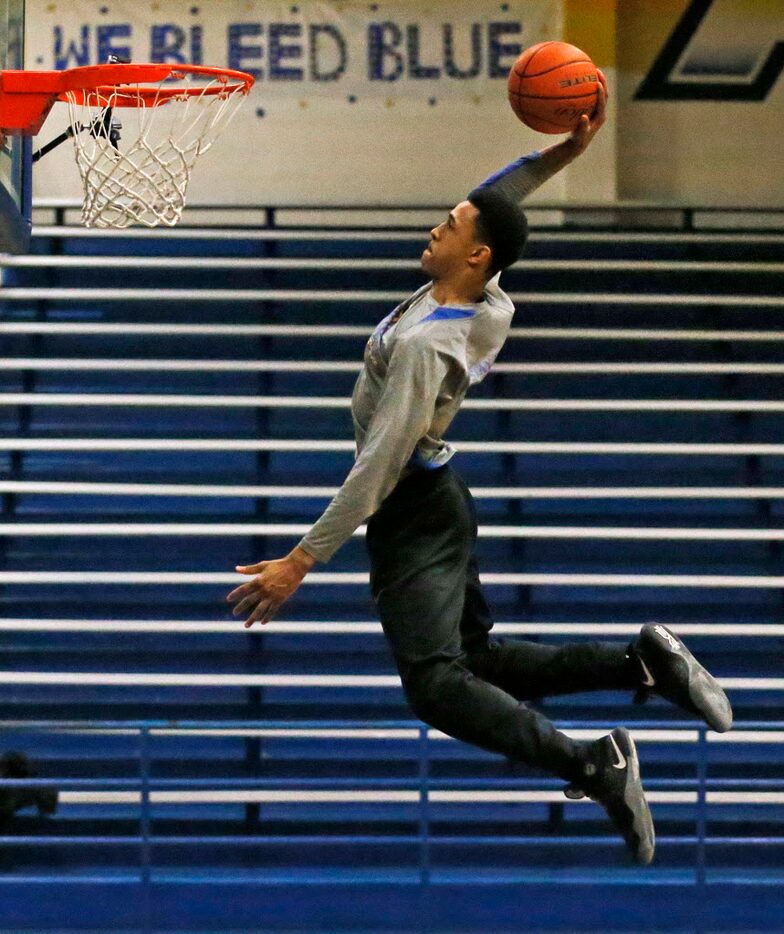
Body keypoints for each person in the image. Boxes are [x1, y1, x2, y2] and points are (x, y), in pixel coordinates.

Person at [226, 77, 732, 866]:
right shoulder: (482, 298)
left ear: (477, 253)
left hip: (414, 504)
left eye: (449, 224)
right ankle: (642, 662)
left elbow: (379, 465)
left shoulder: (432, 345)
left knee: (436, 683)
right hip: (441, 498)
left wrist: (300, 561)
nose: (438, 224)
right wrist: (563, 151)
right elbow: (498, 198)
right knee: (479, 664)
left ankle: (592, 763)